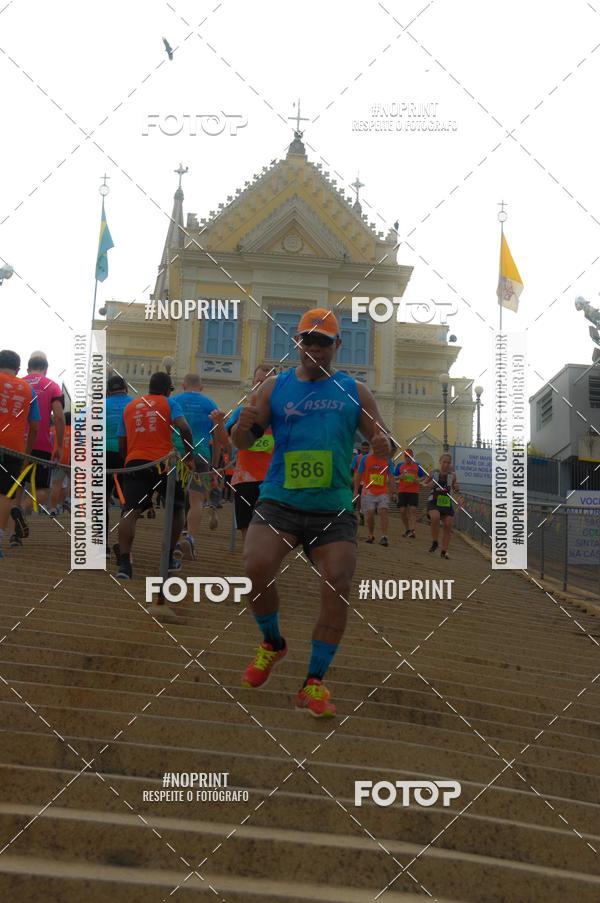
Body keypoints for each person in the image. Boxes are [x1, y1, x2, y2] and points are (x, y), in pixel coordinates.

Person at [232, 308, 391, 718]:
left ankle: (314, 682)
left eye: (323, 341)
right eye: (308, 339)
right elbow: (245, 442)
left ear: (337, 346)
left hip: (332, 507)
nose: (314, 347)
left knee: (338, 581)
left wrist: (381, 445)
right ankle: (272, 642)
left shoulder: (354, 390)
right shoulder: (274, 387)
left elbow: (381, 435)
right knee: (255, 565)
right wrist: (242, 426)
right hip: (280, 498)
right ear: (298, 343)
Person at [116, 371, 195, 579]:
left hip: (134, 463)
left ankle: (124, 564)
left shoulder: (130, 406)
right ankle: (168, 557)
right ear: (167, 390)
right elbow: (184, 428)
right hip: (163, 464)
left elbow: (121, 442)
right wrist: (189, 456)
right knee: (177, 507)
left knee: (130, 511)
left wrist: (130, 461)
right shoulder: (168, 404)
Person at [212, 364, 275, 540]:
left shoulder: (280, 413)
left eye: (267, 381)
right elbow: (226, 441)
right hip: (245, 479)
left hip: (273, 481)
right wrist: (218, 423)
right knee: (247, 529)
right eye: (258, 381)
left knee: (270, 530)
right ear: (253, 383)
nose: (261, 385)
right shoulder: (241, 412)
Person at [172, 373, 221, 559]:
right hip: (201, 455)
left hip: (176, 454)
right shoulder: (210, 404)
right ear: (201, 387)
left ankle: (173, 540)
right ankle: (190, 538)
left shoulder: (174, 401)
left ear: (183, 385)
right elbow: (217, 439)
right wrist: (214, 464)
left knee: (174, 500)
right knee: (197, 501)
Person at [0, 350, 40, 557]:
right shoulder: (28, 390)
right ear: (17, 369)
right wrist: (26, 454)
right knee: (6, 495)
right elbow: (34, 427)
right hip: (14, 448)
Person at [15, 353, 64, 517]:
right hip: (42, 445)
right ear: (46, 368)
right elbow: (58, 416)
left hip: (17, 445)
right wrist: (60, 446)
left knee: (17, 487)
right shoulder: (52, 386)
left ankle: (15, 533)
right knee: (42, 491)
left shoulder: (19, 384)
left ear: (28, 369)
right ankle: (21, 508)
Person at [105, 375, 134, 556]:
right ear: (126, 389)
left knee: (100, 501)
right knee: (128, 502)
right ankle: (123, 546)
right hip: (127, 455)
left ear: (108, 391)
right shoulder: (135, 404)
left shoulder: (98, 406)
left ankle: (102, 547)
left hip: (101, 455)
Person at [422, 452, 461, 559]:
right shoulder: (433, 473)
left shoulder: (452, 475)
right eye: (444, 462)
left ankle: (444, 551)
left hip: (446, 502)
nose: (446, 464)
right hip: (434, 500)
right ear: (440, 462)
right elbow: (424, 484)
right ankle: (435, 542)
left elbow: (455, 488)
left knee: (448, 525)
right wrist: (428, 485)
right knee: (435, 517)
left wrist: (457, 487)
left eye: (448, 462)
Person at [355, 444, 395, 546]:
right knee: (370, 513)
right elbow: (358, 475)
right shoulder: (365, 459)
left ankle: (384, 536)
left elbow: (391, 477)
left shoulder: (387, 460)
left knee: (383, 511)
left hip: (383, 491)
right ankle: (371, 534)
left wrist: (392, 492)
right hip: (368, 491)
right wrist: (355, 491)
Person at [395, 448, 427, 539]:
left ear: (412, 457)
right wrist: (400, 477)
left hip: (414, 491)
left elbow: (423, 476)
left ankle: (413, 531)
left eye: (409, 456)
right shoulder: (400, 466)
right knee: (402, 511)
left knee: (413, 510)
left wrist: (417, 480)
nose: (407, 458)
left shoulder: (417, 466)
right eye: (406, 456)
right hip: (402, 491)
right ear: (404, 457)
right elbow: (394, 477)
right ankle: (407, 529)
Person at [48, 412, 72, 516]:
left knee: (56, 485)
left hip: (57, 459)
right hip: (72, 460)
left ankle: (53, 508)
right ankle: (67, 499)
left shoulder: (54, 430)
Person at [351, 440, 369, 526]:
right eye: (363, 448)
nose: (365, 450)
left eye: (366, 448)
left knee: (363, 500)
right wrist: (351, 479)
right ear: (361, 448)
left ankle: (360, 514)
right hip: (357, 482)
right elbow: (352, 469)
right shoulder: (357, 458)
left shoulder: (370, 458)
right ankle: (356, 514)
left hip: (367, 482)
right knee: (357, 499)